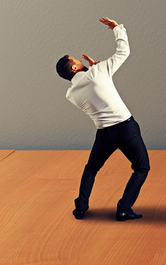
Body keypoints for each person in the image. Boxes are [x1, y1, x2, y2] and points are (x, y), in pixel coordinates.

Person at [56, 17, 150, 222]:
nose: (79, 60)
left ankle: (81, 208)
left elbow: (94, 90)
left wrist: (94, 71)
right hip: (126, 128)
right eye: (75, 60)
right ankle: (123, 209)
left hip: (104, 134)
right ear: (73, 68)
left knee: (91, 168)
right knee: (142, 167)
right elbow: (123, 52)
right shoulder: (98, 72)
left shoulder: (71, 94)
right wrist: (117, 28)